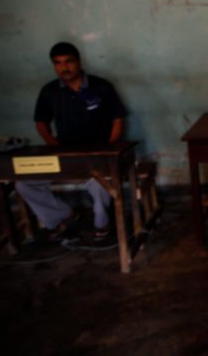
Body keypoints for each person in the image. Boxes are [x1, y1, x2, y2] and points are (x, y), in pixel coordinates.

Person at [16, 42, 127, 239]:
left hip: (98, 152)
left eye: (69, 62)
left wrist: (109, 148)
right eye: (58, 63)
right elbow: (41, 122)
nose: (64, 68)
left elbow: (117, 119)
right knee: (24, 184)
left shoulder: (100, 86)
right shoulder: (50, 91)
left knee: (99, 183)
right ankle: (62, 215)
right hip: (64, 154)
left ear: (78, 62)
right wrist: (51, 143)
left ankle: (102, 223)